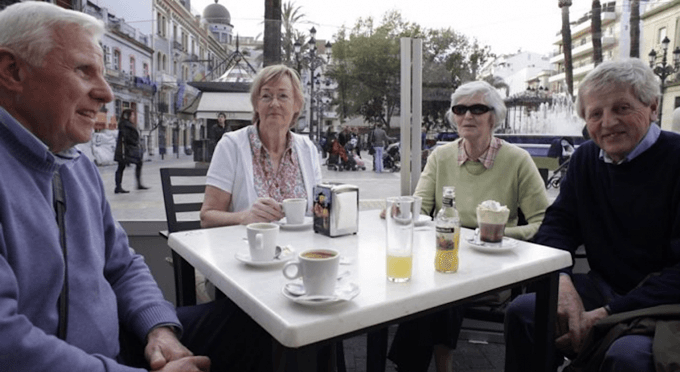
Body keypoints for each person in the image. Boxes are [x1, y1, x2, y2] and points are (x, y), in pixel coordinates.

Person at [0, 3, 272, 371]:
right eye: (84, 71)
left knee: (256, 323)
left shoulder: (77, 166)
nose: (106, 93)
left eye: (104, 73)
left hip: (118, 341)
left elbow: (123, 265)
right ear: (12, 71)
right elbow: (9, 343)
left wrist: (159, 329)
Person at [504, 58, 680, 372]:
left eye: (622, 108)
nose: (607, 123)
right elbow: (557, 227)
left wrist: (604, 314)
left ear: (653, 107)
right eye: (595, 114)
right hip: (603, 287)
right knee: (525, 311)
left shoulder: (676, 159)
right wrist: (562, 284)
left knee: (629, 356)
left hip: (664, 304)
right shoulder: (586, 158)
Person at [387, 80, 549, 372]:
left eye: (477, 108)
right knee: (438, 277)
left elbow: (542, 221)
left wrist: (494, 236)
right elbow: (420, 209)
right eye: (460, 109)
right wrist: (397, 210)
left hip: (494, 263)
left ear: (494, 117)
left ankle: (426, 367)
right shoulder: (441, 156)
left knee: (444, 284)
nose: (467, 116)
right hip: (444, 254)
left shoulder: (518, 160)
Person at [200, 64, 322, 227]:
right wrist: (245, 217)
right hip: (247, 248)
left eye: (283, 96)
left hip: (301, 250)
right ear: (256, 104)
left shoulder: (308, 149)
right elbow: (207, 218)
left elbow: (318, 209)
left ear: (296, 105)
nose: (274, 104)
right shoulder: (231, 146)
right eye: (266, 96)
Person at [114, 109, 148, 193]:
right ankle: (119, 187)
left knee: (123, 167)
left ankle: (120, 186)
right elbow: (127, 138)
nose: (133, 117)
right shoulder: (125, 125)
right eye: (132, 115)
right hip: (125, 151)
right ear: (127, 116)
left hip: (126, 150)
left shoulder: (126, 125)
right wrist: (135, 142)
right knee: (122, 167)